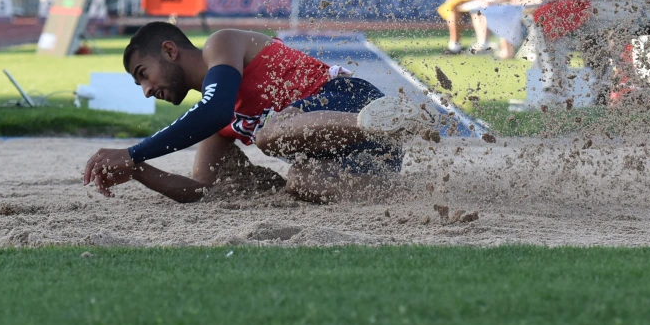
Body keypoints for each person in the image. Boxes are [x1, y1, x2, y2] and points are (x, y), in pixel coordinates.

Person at [82, 23, 438, 203]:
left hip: (351, 101)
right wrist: (137, 168)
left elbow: (215, 109)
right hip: (367, 153)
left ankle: (391, 121)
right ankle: (396, 192)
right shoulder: (212, 118)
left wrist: (133, 150)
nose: (147, 91)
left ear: (170, 51)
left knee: (268, 134)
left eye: (143, 74)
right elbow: (203, 190)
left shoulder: (220, 44)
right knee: (300, 184)